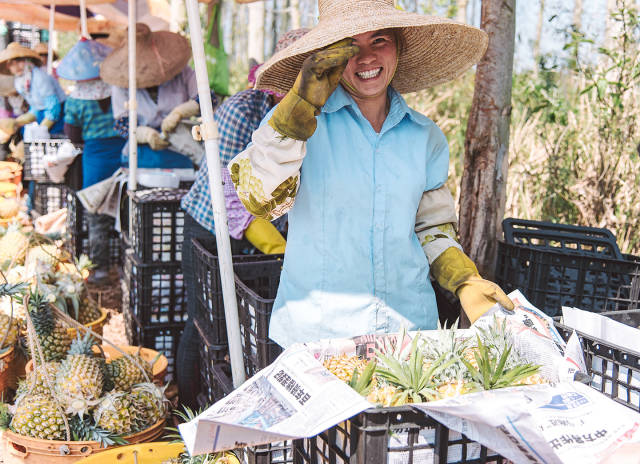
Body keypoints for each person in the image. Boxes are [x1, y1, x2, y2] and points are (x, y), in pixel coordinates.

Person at [230, 0, 515, 348]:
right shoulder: (297, 129)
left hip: (409, 334)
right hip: (319, 337)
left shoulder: (425, 137)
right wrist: (297, 107)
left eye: (380, 40)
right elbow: (258, 198)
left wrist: (464, 279)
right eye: (351, 46)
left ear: (398, 46)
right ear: (330, 56)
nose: (366, 58)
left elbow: (430, 227)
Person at [176, 27, 309, 409]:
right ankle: (188, 409)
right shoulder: (242, 110)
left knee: (253, 322)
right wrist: (281, 247)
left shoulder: (318, 114)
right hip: (212, 225)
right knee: (205, 322)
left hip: (267, 224)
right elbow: (231, 196)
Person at [57, 38, 125, 284]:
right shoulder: (119, 89)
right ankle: (125, 266)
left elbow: (73, 136)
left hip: (95, 161)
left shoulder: (76, 101)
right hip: (123, 158)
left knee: (96, 217)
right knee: (124, 213)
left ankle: (102, 270)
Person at [100, 23, 198, 169]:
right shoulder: (121, 81)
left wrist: (180, 112)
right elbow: (122, 124)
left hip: (182, 146)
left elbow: (207, 99)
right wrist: (143, 134)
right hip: (141, 153)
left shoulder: (182, 72)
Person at [0, 42, 66, 135]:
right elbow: (35, 107)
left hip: (58, 113)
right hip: (41, 113)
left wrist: (42, 129)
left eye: (18, 61)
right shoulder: (19, 81)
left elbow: (53, 107)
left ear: (27, 60)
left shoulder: (39, 76)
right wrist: (17, 122)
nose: (15, 66)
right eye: (11, 63)